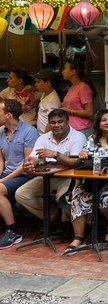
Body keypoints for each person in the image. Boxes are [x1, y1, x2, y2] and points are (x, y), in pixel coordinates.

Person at [57, 109, 108, 255]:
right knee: (78, 196)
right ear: (98, 124)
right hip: (92, 180)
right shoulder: (92, 139)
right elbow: (83, 156)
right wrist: (83, 154)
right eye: (104, 120)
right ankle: (78, 237)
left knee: (106, 196)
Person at [15, 109, 85, 237]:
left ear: (67, 122)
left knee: (64, 198)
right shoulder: (43, 138)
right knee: (21, 194)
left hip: (68, 177)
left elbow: (74, 163)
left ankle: (67, 222)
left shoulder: (78, 137)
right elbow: (34, 157)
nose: (56, 125)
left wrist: (54, 154)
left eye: (60, 122)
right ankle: (54, 216)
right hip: (46, 177)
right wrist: (30, 164)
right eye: (53, 122)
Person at [0, 99, 38, 249]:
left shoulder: (29, 131)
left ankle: (13, 231)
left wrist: (4, 180)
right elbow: (1, 159)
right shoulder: (1, 132)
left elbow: (27, 163)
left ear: (8, 115)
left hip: (25, 175)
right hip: (7, 174)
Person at [60, 60, 95, 138]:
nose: (62, 72)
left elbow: (90, 112)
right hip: (71, 129)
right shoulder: (71, 88)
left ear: (73, 71)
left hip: (82, 129)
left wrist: (70, 111)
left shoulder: (83, 88)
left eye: (65, 69)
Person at [32, 70, 61, 135]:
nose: (35, 85)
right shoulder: (45, 93)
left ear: (47, 83)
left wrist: (44, 138)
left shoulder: (53, 100)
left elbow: (52, 121)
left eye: (38, 82)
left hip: (47, 135)